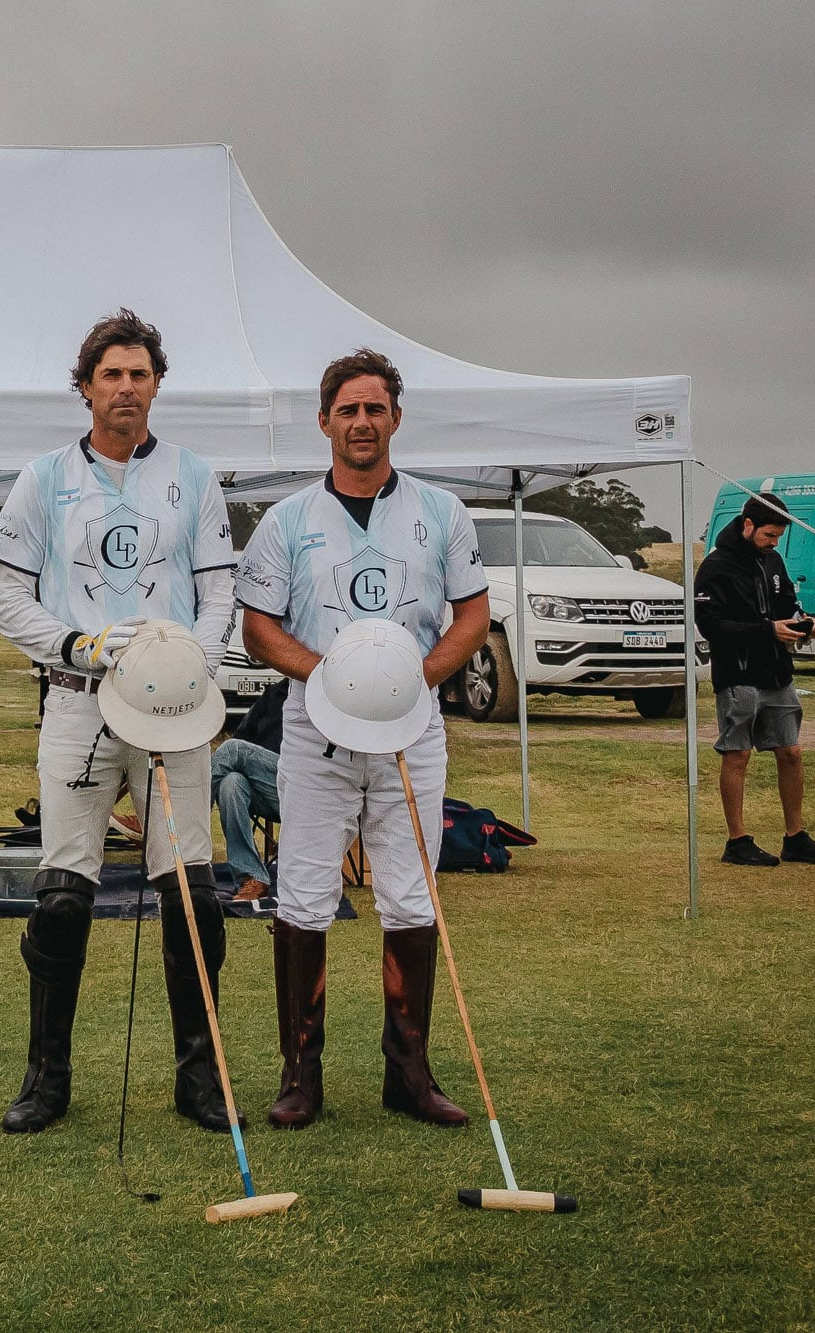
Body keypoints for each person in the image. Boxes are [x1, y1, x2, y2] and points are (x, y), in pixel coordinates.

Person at [0, 309, 237, 1135]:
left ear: (157, 383)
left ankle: (200, 1075)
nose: (126, 387)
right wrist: (76, 641)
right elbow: (6, 598)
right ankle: (45, 1075)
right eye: (111, 374)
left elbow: (220, 592)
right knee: (62, 893)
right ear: (86, 385)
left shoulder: (196, 476)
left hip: (174, 710)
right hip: (77, 699)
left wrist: (187, 660)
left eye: (140, 373)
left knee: (190, 891)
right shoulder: (44, 477)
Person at [236, 347, 490, 1130]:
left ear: (396, 419)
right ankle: (299, 1073)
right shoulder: (286, 521)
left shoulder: (441, 512)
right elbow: (256, 630)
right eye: (347, 409)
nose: (361, 422)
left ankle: (408, 1070)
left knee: (409, 892)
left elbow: (472, 617)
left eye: (375, 408)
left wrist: (413, 677)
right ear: (324, 422)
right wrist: (327, 676)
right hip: (316, 733)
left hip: (411, 732)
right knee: (306, 895)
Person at [695, 494, 815, 866]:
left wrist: (805, 622)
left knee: (790, 752)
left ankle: (795, 837)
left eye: (778, 536)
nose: (774, 542)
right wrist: (766, 630)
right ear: (748, 526)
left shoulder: (773, 562)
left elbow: (786, 605)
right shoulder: (715, 567)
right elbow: (709, 625)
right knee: (737, 754)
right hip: (737, 674)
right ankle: (737, 841)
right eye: (769, 535)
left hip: (776, 673)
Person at [212, 678, 284, 914]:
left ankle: (185, 831)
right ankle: (252, 877)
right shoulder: (275, 693)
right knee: (231, 784)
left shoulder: (324, 694)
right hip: (267, 790)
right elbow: (244, 737)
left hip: (306, 787)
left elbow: (237, 747)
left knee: (232, 749)